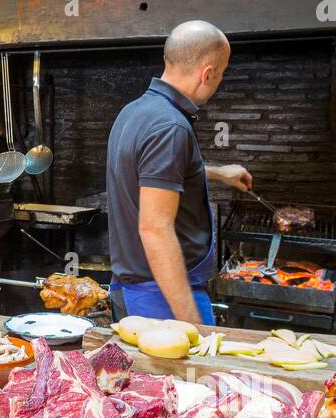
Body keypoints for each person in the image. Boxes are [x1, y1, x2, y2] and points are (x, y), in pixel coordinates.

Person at [106, 20, 252, 325]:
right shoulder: (170, 127)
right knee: (197, 374)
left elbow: (148, 173)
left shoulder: (134, 111)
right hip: (160, 296)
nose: (219, 80)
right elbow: (155, 229)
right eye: (221, 73)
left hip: (134, 287)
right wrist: (193, 324)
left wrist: (215, 173)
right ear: (208, 72)